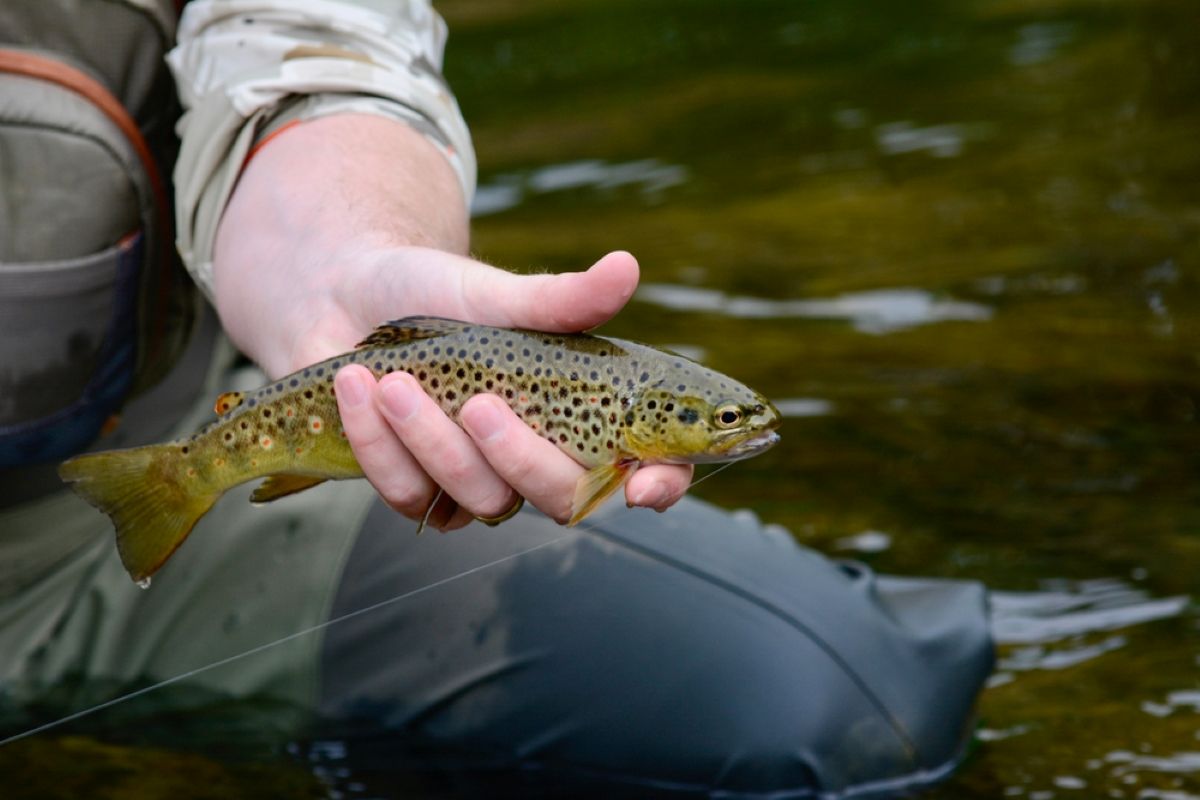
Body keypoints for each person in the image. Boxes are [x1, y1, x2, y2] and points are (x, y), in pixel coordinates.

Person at [0, 1, 993, 797]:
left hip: (117, 463)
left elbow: (320, 39)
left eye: (721, 420)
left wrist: (346, 245)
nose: (741, 429)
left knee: (846, 702)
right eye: (718, 418)